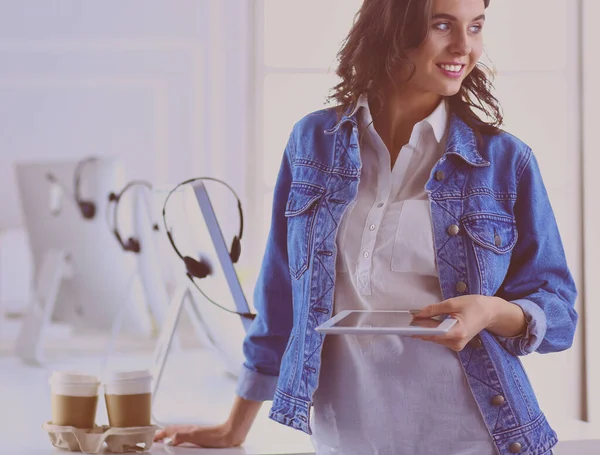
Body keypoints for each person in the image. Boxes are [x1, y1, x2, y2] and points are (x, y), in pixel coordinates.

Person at [154, 0, 578, 453]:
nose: (464, 46)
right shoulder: (313, 143)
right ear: (393, 27)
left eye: (475, 27)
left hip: (475, 436)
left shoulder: (504, 162)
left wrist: (492, 312)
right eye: (442, 25)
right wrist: (234, 427)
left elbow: (558, 314)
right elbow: (281, 294)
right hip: (345, 437)